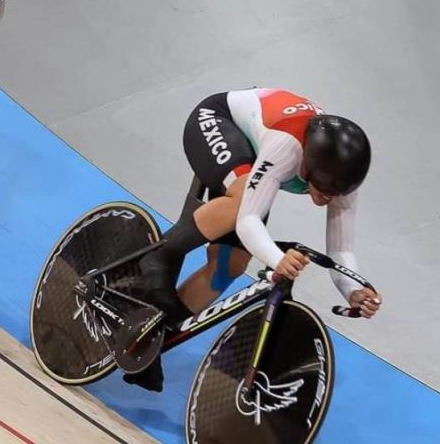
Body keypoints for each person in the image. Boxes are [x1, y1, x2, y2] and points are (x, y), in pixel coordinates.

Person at [126, 87, 382, 392]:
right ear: (308, 165)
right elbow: (248, 219)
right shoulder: (287, 147)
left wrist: (353, 290)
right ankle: (159, 253)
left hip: (253, 154)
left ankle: (152, 334)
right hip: (218, 120)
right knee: (240, 201)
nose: (329, 199)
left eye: (337, 194)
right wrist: (277, 259)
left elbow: (340, 249)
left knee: (229, 266)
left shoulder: (342, 177)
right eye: (323, 189)